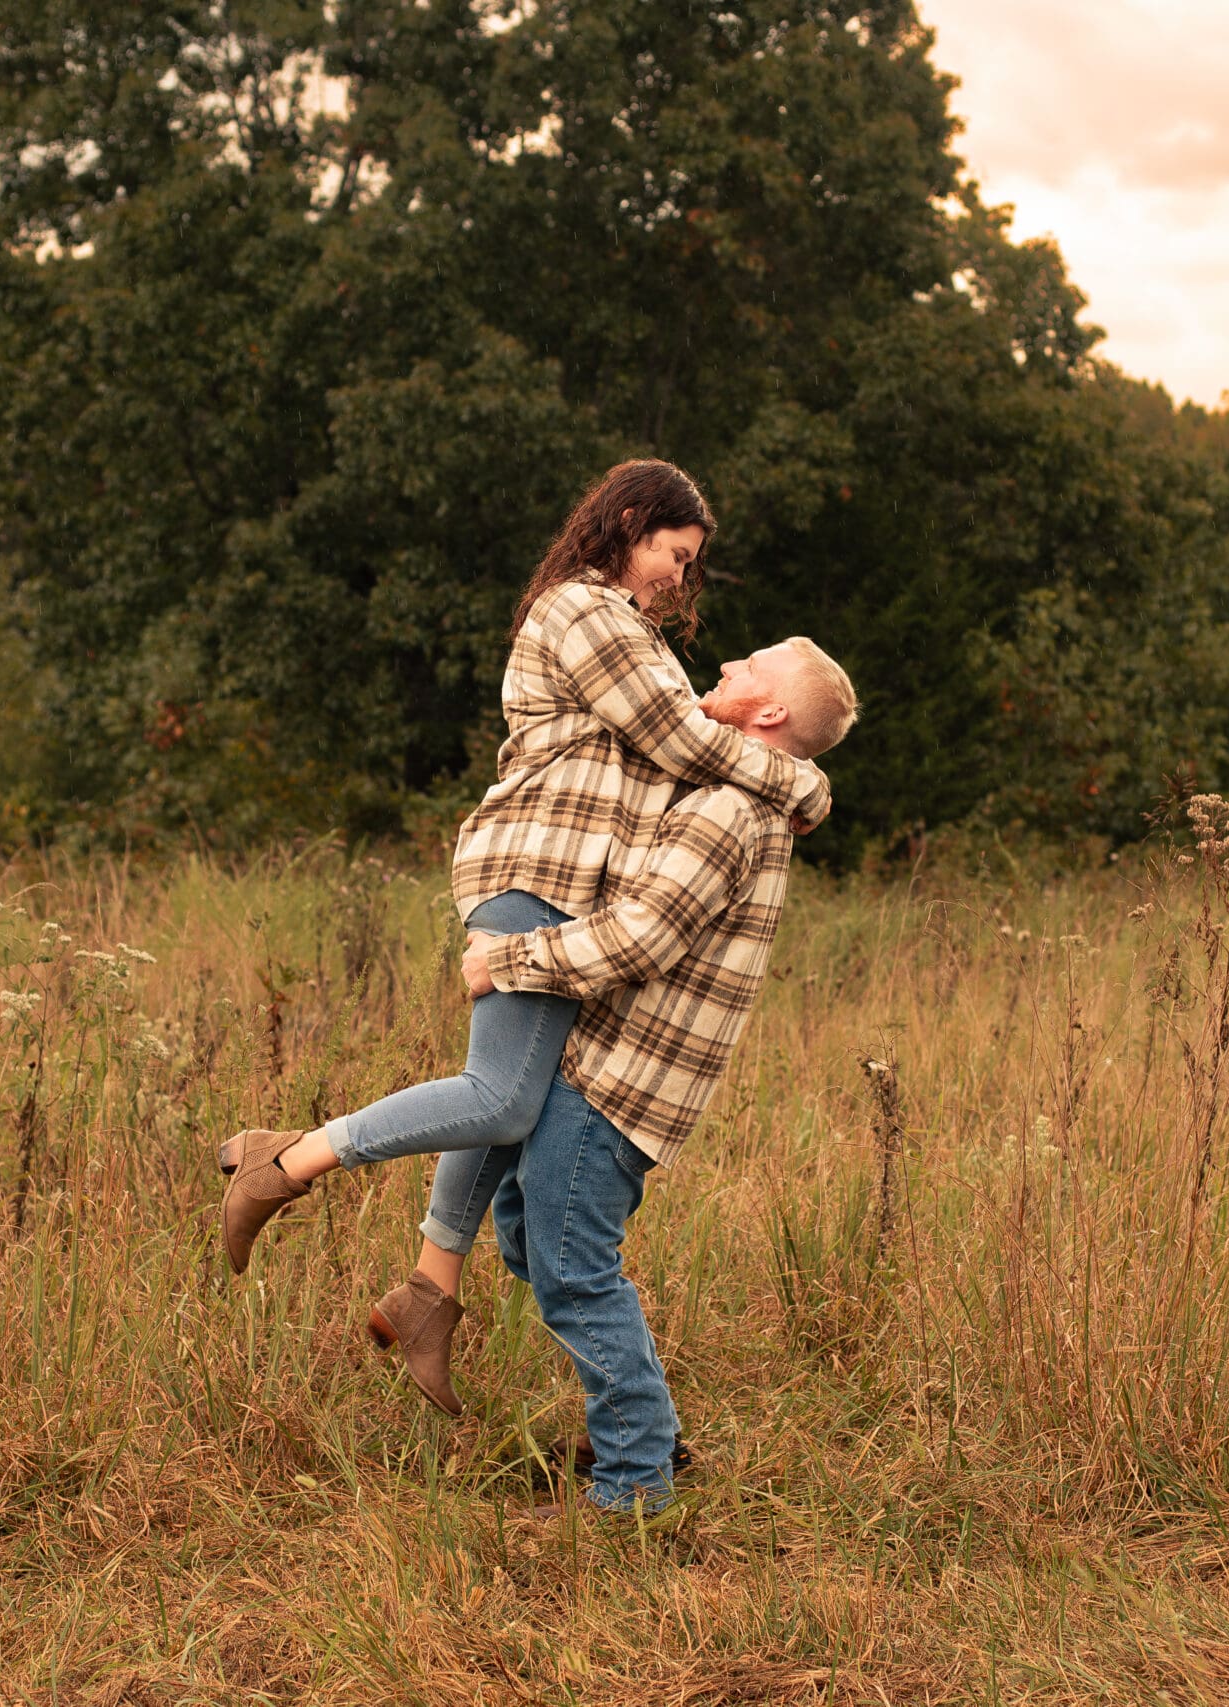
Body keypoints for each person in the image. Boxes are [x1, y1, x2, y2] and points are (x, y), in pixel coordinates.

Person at [217, 460, 826, 1342]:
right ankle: (287, 1157)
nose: (681, 577)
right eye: (675, 552)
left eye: (692, 565)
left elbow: (690, 741)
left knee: (518, 1096)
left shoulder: (638, 637)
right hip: (537, 868)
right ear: (628, 522)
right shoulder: (583, 611)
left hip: (569, 888)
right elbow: (680, 739)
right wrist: (804, 786)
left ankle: (429, 1293)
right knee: (501, 1096)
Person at [448, 636, 859, 1515]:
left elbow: (641, 935)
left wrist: (509, 960)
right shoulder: (742, 795)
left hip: (622, 1081)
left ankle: (635, 1479)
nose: (721, 672)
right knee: (532, 1235)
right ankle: (644, 1429)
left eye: (745, 671)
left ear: (771, 712)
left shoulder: (729, 814)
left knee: (571, 1263)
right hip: (609, 1066)